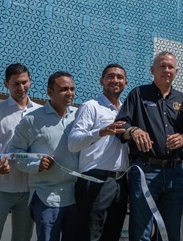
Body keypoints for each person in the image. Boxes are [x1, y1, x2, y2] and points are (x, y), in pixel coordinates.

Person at [116, 52, 183, 240]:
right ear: (152, 70)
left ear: (176, 71)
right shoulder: (138, 94)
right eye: (162, 66)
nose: (166, 70)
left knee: (170, 232)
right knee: (141, 231)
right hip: (145, 170)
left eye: (170, 67)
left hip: (175, 173)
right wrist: (134, 130)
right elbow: (121, 125)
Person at [9, 71, 79, 241]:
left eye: (72, 89)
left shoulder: (79, 116)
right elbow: (15, 153)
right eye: (64, 89)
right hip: (47, 197)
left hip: (77, 196)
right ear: (49, 92)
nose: (69, 93)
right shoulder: (32, 120)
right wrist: (37, 164)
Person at [68, 64, 130, 241]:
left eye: (119, 77)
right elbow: (73, 143)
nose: (115, 80)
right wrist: (100, 132)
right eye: (110, 76)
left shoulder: (127, 111)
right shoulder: (91, 106)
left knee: (113, 235)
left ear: (126, 83)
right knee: (90, 235)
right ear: (101, 81)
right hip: (95, 179)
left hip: (120, 182)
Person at [0, 63, 38, 241]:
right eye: (16, 84)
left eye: (24, 82)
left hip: (30, 188)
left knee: (23, 238)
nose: (21, 87)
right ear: (6, 84)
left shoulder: (40, 112)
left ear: (30, 81)